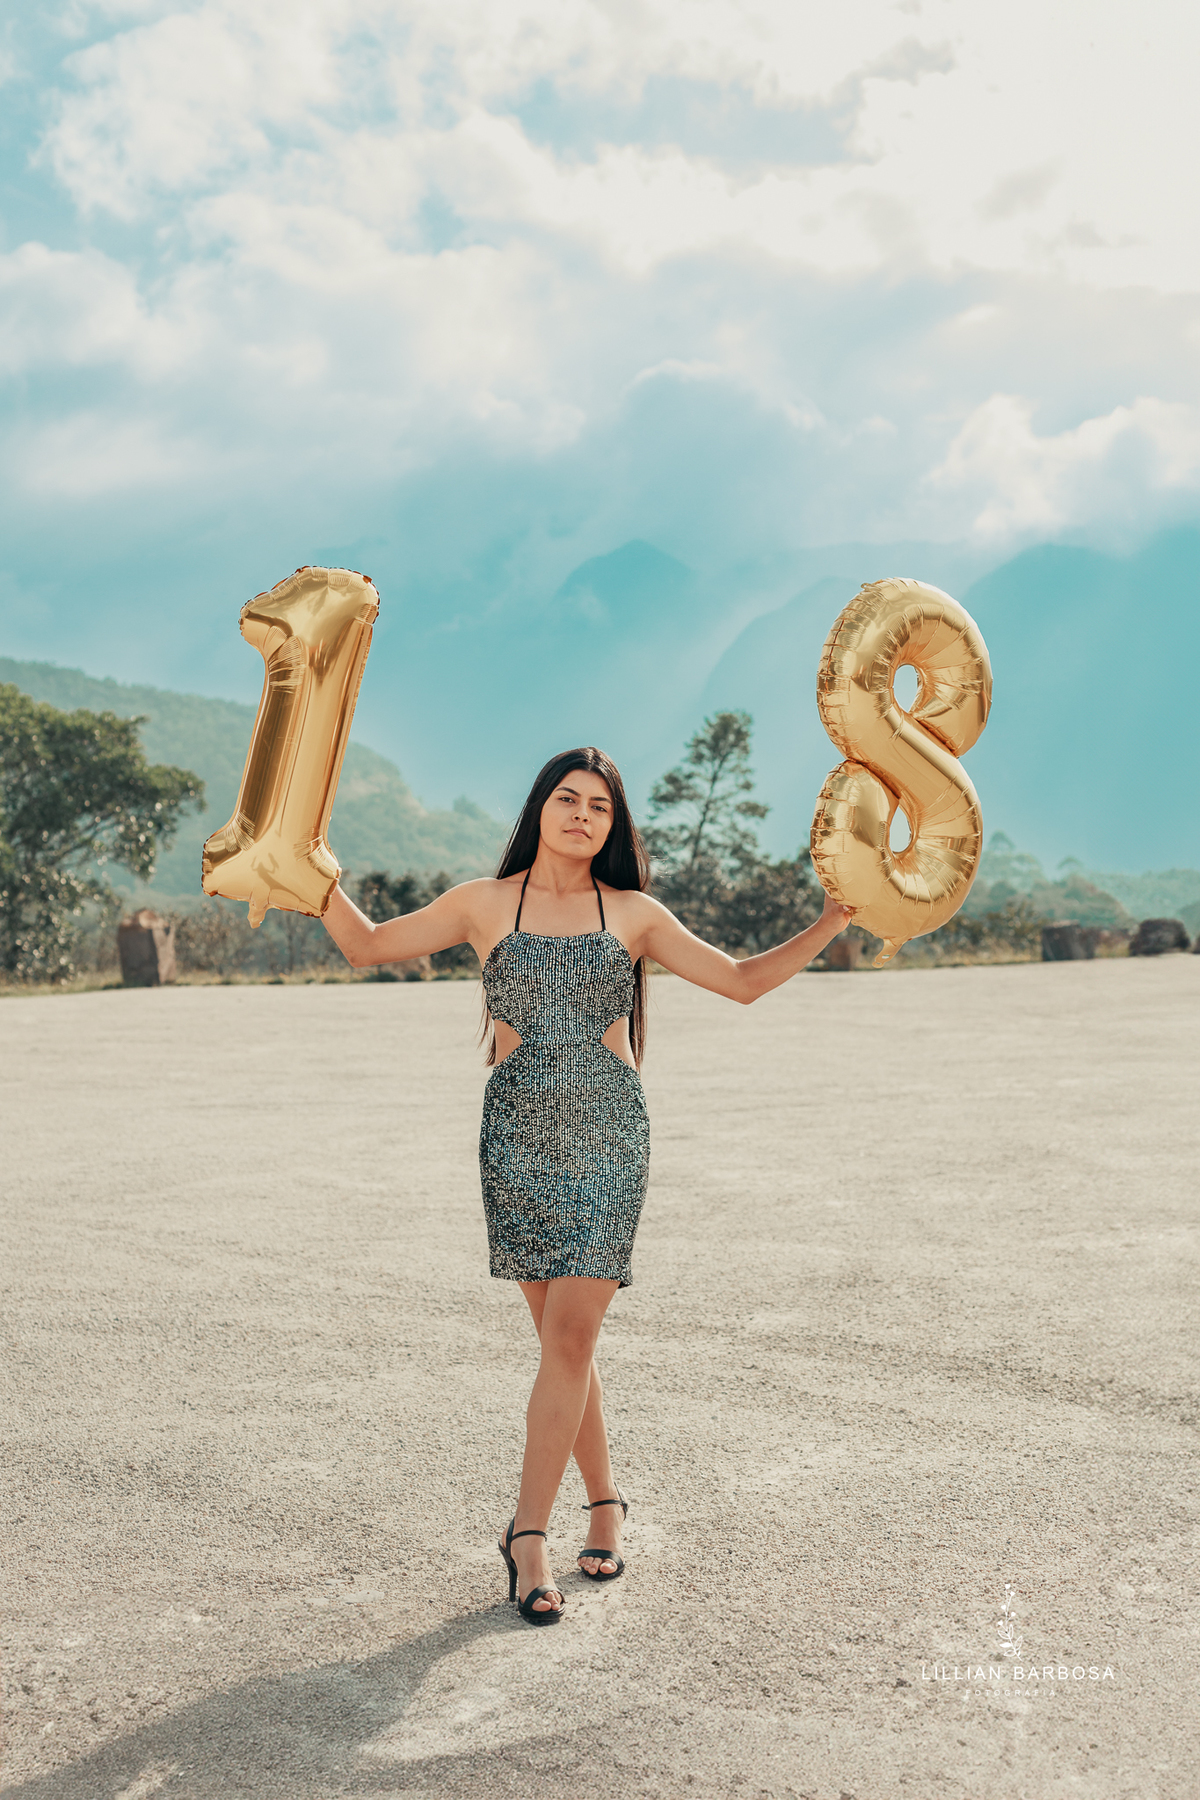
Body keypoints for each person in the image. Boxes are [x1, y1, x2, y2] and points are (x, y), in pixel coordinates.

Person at [321, 746, 851, 1626]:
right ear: (540, 808)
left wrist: (832, 919)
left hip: (609, 1140)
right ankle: (606, 1503)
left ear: (614, 826)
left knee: (570, 1335)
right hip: (517, 1138)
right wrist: (318, 876)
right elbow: (364, 945)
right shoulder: (483, 903)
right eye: (567, 799)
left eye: (599, 807)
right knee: (564, 1344)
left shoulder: (633, 913)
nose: (581, 815)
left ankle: (526, 1537)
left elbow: (743, 982)